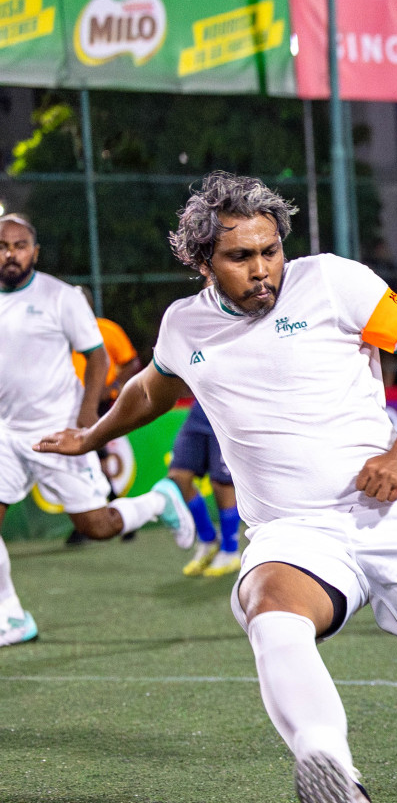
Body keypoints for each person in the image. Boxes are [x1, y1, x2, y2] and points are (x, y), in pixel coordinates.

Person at [35, 172, 397, 803]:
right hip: (293, 531)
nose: (262, 269)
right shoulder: (185, 324)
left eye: (270, 251)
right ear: (203, 263)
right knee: (271, 612)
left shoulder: (333, 283)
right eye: (241, 257)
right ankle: (333, 771)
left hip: (393, 518)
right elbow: (151, 385)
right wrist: (92, 435)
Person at [0, 214, 195, 649]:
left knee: (97, 526)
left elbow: (97, 357)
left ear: (35, 251)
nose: (10, 254)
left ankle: (157, 500)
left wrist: (87, 414)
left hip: (59, 432)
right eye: (2, 246)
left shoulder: (60, 296)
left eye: (19, 245)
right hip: (5, 434)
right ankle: (10, 615)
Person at [66, 315, 144, 545]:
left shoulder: (106, 329)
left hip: (94, 403)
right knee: (87, 460)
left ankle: (112, 516)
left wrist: (112, 387)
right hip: (65, 402)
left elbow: (130, 362)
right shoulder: (59, 328)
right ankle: (112, 514)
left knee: (90, 457)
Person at [168, 400, 241, 577]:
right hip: (201, 408)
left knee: (222, 482)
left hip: (229, 410)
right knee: (178, 476)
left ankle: (230, 551)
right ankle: (208, 539)